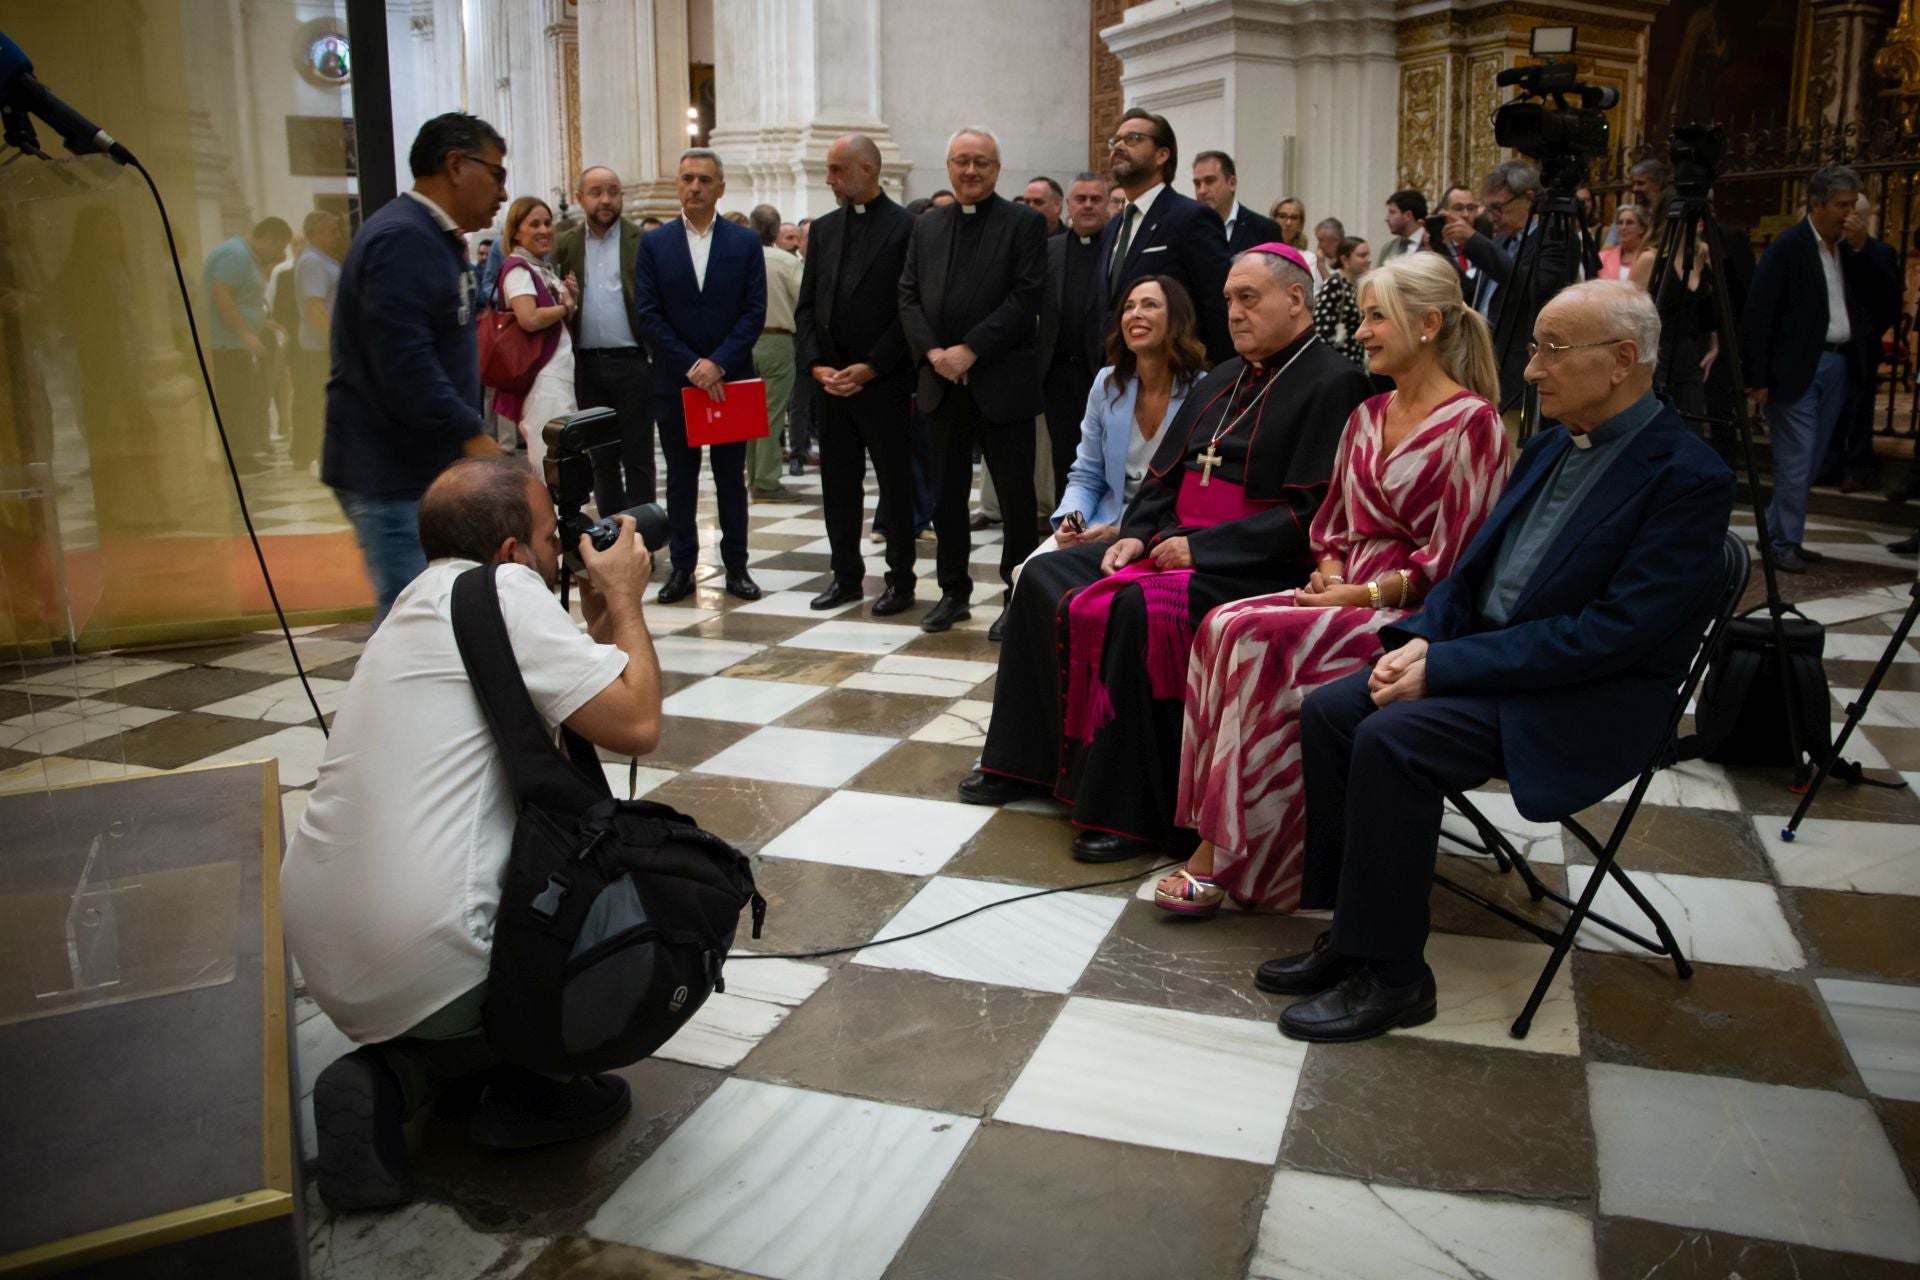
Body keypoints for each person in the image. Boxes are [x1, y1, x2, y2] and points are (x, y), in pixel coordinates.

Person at [1259, 280, 1734, 1042]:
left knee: (1392, 739)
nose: (1532, 370)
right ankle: (1352, 932)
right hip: (1490, 664)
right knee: (1331, 711)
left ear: (1621, 360)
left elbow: (1609, 635)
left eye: (1552, 351)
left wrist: (1447, 668)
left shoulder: (1689, 478)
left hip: (1580, 696)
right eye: (1534, 348)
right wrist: (1423, 640)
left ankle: (1395, 977)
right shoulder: (1549, 445)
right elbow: (1470, 575)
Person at [286, 457, 664, 1209]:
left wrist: (597, 621)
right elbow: (637, 723)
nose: (562, 551)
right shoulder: (506, 590)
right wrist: (625, 597)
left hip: (324, 948)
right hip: (430, 953)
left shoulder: (417, 604)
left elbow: (574, 699)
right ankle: (519, 1079)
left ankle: (391, 1076)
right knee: (640, 910)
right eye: (552, 538)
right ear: (510, 551)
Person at [956, 245, 1372, 859]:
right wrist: (1135, 533)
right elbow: (1161, 476)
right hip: (1169, 545)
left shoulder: (1336, 381)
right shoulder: (1224, 378)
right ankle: (1026, 764)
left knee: (1139, 610)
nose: (1234, 312)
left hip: (1251, 565)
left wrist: (1201, 549)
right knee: (1043, 574)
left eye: (1248, 298)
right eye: (1228, 300)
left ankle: (1128, 812)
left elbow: (1311, 513)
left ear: (1294, 299)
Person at [1159, 253, 1509, 917]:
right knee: (1219, 624)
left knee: (1255, 638)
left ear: (1428, 324)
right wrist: (1331, 572)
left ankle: (1229, 855)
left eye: (1378, 317)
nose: (1363, 332)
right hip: (1345, 588)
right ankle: (1233, 834)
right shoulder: (1367, 414)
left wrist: (1361, 595)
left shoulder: (1474, 423)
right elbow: (1331, 525)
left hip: (1412, 615)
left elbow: (1456, 562)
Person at [324, 112, 506, 625]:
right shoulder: (403, 238)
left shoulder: (433, 237)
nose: (502, 192)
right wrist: (470, 435)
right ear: (456, 165)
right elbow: (405, 364)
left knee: (434, 614)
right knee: (411, 621)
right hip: (392, 472)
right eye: (496, 174)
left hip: (420, 468)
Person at [898, 126, 1049, 632]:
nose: (970, 170)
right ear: (948, 167)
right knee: (945, 495)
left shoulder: (1023, 223)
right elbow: (907, 296)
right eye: (961, 161)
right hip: (942, 383)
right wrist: (936, 354)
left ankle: (1016, 595)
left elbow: (1025, 296)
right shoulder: (927, 226)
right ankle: (952, 591)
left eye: (981, 161)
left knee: (1015, 498)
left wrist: (971, 350)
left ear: (997, 169)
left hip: (1001, 382)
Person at [632, 148, 768, 603]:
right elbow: (648, 314)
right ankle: (682, 567)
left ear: (720, 188)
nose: (695, 187)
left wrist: (718, 363)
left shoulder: (744, 242)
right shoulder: (654, 244)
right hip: (676, 380)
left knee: (731, 479)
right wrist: (692, 365)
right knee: (680, 480)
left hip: (730, 380)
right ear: (677, 184)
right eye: (687, 178)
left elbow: (753, 311)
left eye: (705, 180)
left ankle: (737, 567)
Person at [796, 133, 920, 616]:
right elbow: (807, 306)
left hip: (883, 381)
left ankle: (901, 580)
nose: (829, 179)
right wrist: (816, 365)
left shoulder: (907, 227)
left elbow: (909, 309)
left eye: (837, 170)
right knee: (838, 484)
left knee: (895, 484)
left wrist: (872, 366)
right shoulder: (825, 229)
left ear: (867, 169)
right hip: (831, 382)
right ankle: (845, 576)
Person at [1743, 166, 1886, 573]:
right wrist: (1758, 377)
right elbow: (1759, 313)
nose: (1848, 214)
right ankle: (1784, 541)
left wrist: (1864, 248)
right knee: (1796, 458)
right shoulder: (1789, 247)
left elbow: (1885, 296)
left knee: (1814, 457)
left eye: (1853, 205)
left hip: (1838, 363)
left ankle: (1777, 532)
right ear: (1817, 205)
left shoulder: (1851, 250)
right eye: (1841, 205)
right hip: (1795, 368)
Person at [1032, 276, 1206, 576]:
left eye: (1149, 305)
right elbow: (1087, 475)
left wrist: (1125, 531)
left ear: (1176, 319)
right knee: (1030, 570)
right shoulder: (1107, 384)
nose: (1135, 314)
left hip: (1166, 532)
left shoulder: (1202, 391)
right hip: (1101, 522)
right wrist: (1073, 518)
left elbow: (1194, 492)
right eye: (1128, 307)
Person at [551, 164, 656, 509]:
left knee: (639, 456)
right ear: (580, 197)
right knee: (601, 458)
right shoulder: (565, 244)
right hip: (588, 365)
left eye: (613, 192)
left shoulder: (643, 241)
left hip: (634, 363)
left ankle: (643, 530)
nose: (606, 200)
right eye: (596, 193)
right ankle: (612, 530)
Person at [1098, 109, 1234, 362]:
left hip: (1177, 370)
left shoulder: (1191, 218)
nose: (1119, 146)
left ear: (1162, 154)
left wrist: (1219, 377)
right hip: (1117, 372)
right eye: (1115, 141)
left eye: (1133, 139)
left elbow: (1217, 305)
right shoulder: (1113, 226)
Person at [1453, 160, 1570, 416]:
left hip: (1520, 373)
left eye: (1497, 208)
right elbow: (1480, 295)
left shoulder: (1554, 237)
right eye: (1488, 209)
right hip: (1486, 366)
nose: (1492, 217)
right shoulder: (1502, 240)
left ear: (1528, 199)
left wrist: (1476, 242)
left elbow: (1531, 288)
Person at [1036, 172, 1116, 515]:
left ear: (1107, 204)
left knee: (1110, 459)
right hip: (1059, 377)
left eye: (1096, 199)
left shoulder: (1117, 250)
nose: (1088, 205)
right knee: (1065, 460)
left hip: (1106, 373)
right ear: (1068, 205)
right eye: (1080, 199)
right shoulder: (1049, 250)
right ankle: (1067, 528)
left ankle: (1107, 528)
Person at [1821, 198, 1903, 494]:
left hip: (1862, 344)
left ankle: (1857, 468)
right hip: (1829, 344)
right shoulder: (1829, 250)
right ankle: (1828, 464)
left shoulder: (1880, 252)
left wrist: (1869, 330)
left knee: (1858, 408)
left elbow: (1889, 297)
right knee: (1830, 410)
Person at [492, 196, 578, 480]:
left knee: (562, 456)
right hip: (542, 379)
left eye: (548, 223)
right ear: (516, 232)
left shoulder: (539, 267)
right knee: (548, 460)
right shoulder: (518, 269)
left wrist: (569, 299)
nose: (545, 230)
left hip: (557, 374)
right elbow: (528, 318)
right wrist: (565, 308)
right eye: (535, 224)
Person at [204, 216, 293, 473]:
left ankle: (241, 455)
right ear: (268, 238)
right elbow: (222, 295)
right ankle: (236, 458)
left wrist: (262, 323)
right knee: (234, 401)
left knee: (241, 398)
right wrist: (245, 332)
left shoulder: (245, 256)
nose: (278, 254)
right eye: (278, 247)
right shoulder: (236, 255)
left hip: (234, 342)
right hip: (226, 344)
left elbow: (242, 299)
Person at [746, 203, 804, 502]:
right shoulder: (786, 261)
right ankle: (767, 482)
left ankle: (752, 475)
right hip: (777, 339)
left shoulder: (738, 259)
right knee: (771, 414)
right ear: (776, 230)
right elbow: (804, 298)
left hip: (742, 342)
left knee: (747, 415)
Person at [291, 211, 345, 472]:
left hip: (323, 345)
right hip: (318, 347)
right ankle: (313, 454)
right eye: (331, 231)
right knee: (317, 402)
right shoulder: (312, 261)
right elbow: (316, 308)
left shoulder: (323, 260)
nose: (337, 236)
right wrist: (334, 344)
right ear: (316, 233)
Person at [1191, 151, 1282, 254]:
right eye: (1197, 184)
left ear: (1232, 183)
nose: (1202, 190)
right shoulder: (1189, 229)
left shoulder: (1264, 230)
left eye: (1210, 181)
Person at [1313, 237, 1371, 366]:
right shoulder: (1335, 283)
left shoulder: (1353, 285)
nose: (1368, 260)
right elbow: (1322, 328)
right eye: (1362, 255)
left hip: (1353, 361)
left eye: (1368, 255)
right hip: (1338, 363)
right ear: (1345, 259)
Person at [1378, 189, 1428, 262]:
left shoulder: (1433, 244)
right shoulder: (1388, 248)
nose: (1387, 219)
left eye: (1392, 212)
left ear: (1408, 215)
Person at [1598, 205, 1646, 279]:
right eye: (1620, 223)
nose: (1623, 227)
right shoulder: (1603, 257)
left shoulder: (1649, 257)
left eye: (1629, 223)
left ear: (1641, 228)